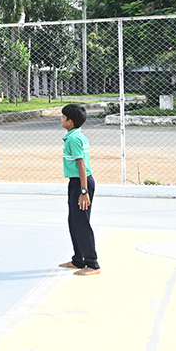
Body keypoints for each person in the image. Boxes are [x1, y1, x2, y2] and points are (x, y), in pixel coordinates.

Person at [59, 104, 101, 276]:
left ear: (70, 121)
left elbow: (81, 165)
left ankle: (92, 264)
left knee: (82, 224)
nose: (61, 119)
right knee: (74, 222)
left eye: (63, 117)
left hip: (81, 183)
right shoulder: (76, 136)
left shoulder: (74, 139)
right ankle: (78, 259)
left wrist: (84, 192)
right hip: (76, 183)